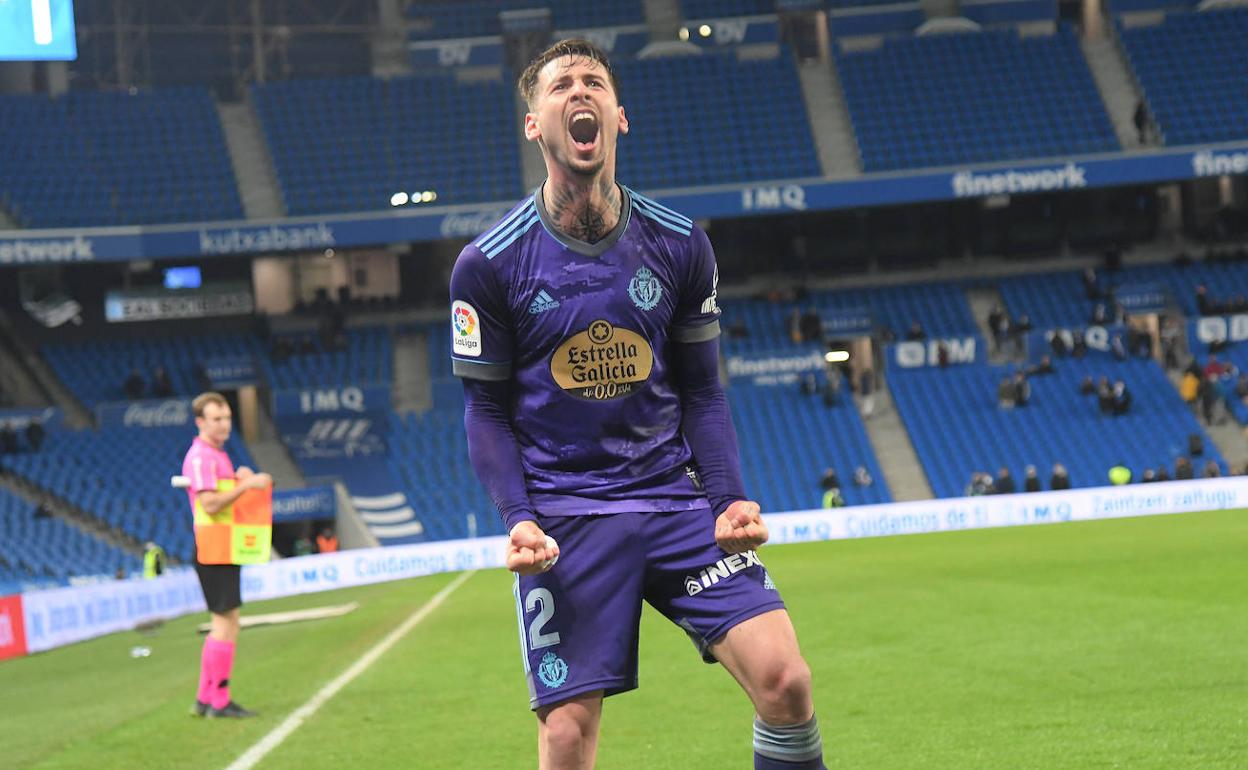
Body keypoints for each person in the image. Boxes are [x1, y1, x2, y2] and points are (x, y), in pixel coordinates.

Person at [450, 40, 825, 769]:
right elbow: (485, 411)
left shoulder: (681, 244)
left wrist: (730, 498)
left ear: (620, 117)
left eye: (594, 82)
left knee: (787, 681)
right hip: (566, 514)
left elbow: (703, 391)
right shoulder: (489, 264)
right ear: (536, 124)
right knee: (566, 735)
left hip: (673, 501)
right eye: (561, 85)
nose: (579, 91)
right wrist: (519, 517)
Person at [182, 391, 271, 719]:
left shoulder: (215, 455)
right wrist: (247, 486)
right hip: (213, 547)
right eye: (216, 419)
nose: (223, 425)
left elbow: (220, 495)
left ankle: (205, 698)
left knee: (226, 620)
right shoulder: (202, 456)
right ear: (201, 422)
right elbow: (210, 503)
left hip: (222, 546)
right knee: (225, 623)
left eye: (227, 418)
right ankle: (219, 700)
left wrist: (238, 479)